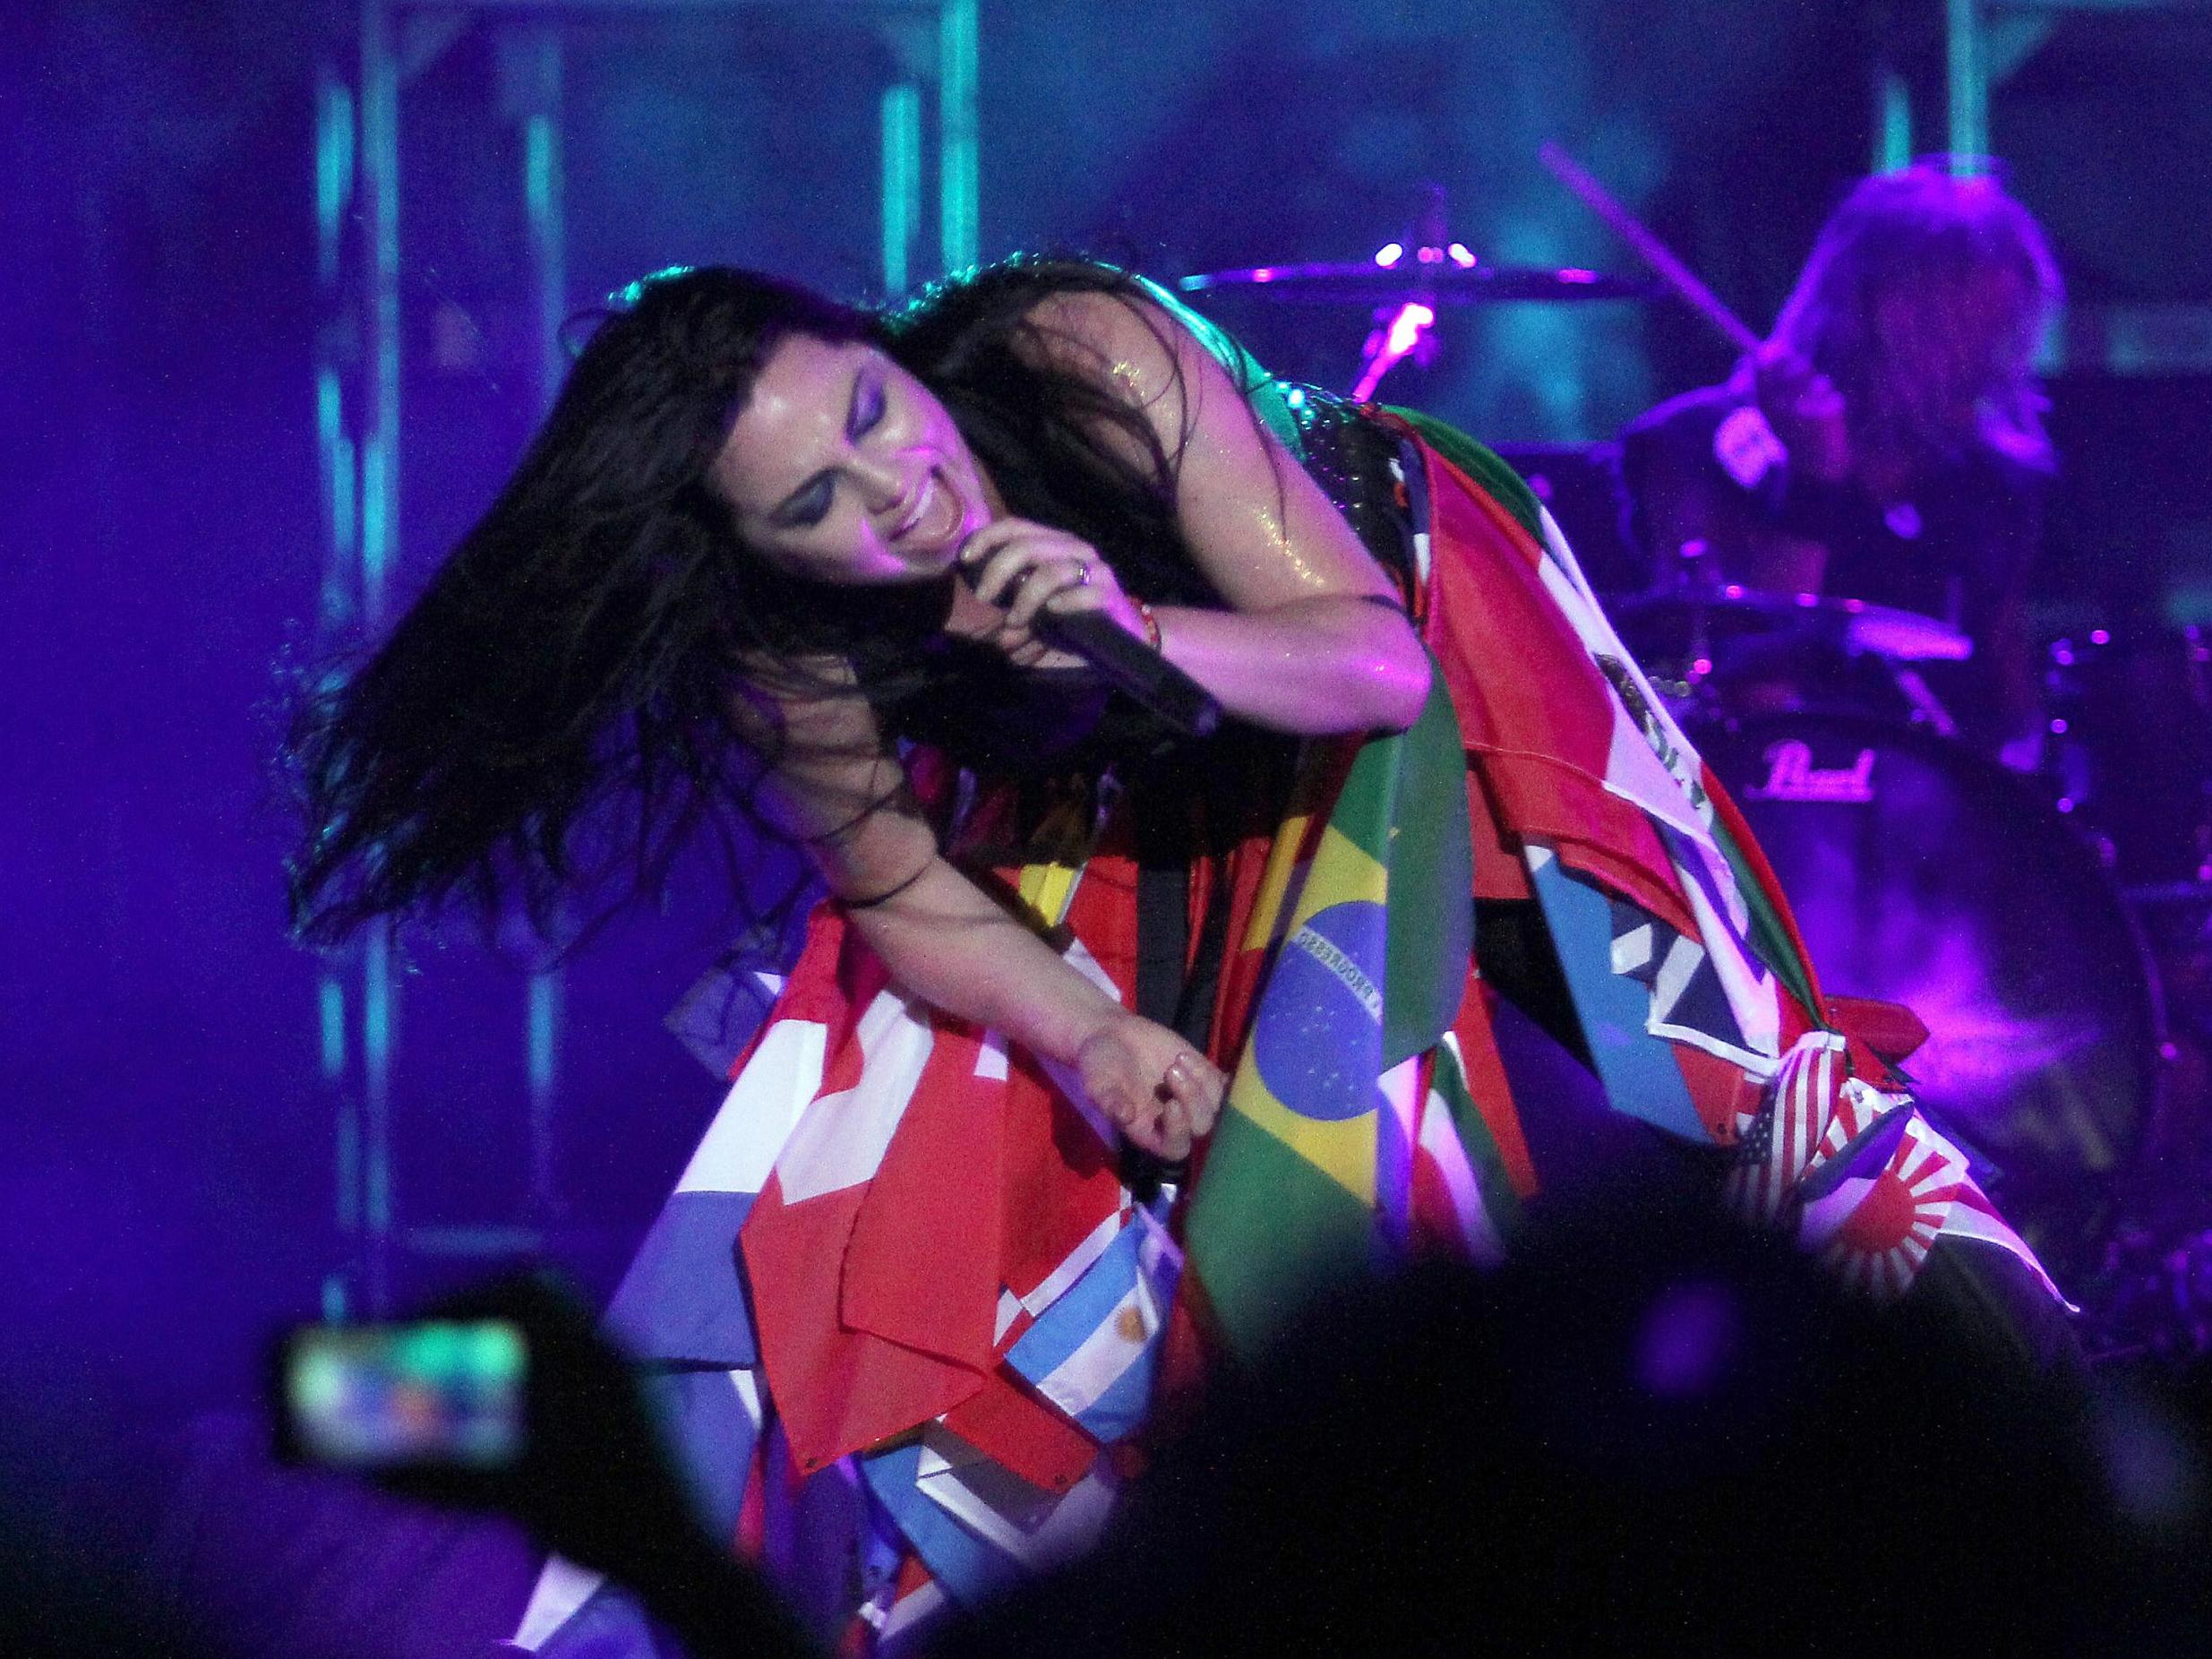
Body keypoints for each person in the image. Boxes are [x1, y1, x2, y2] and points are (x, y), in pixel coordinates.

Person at [287, 254, 2068, 1655]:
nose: (891, 490)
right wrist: (1080, 1031)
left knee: (1716, 1049)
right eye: (814, 499)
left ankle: (2069, 1460)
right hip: (1140, 761)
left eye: (870, 408)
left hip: (1412, 617)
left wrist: (1130, 621)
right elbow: (901, 887)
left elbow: (1374, 671)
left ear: (886, 344)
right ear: (748, 552)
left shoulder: (1085, 352)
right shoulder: (781, 651)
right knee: (1109, 1146)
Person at [1618, 164, 2063, 757]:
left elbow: (2012, 709)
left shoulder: (1991, 481)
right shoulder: (1698, 447)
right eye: (1972, 340)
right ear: (1887, 317)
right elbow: (1745, 698)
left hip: (1942, 824)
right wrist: (1813, 483)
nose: (1994, 370)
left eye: (2010, 339)